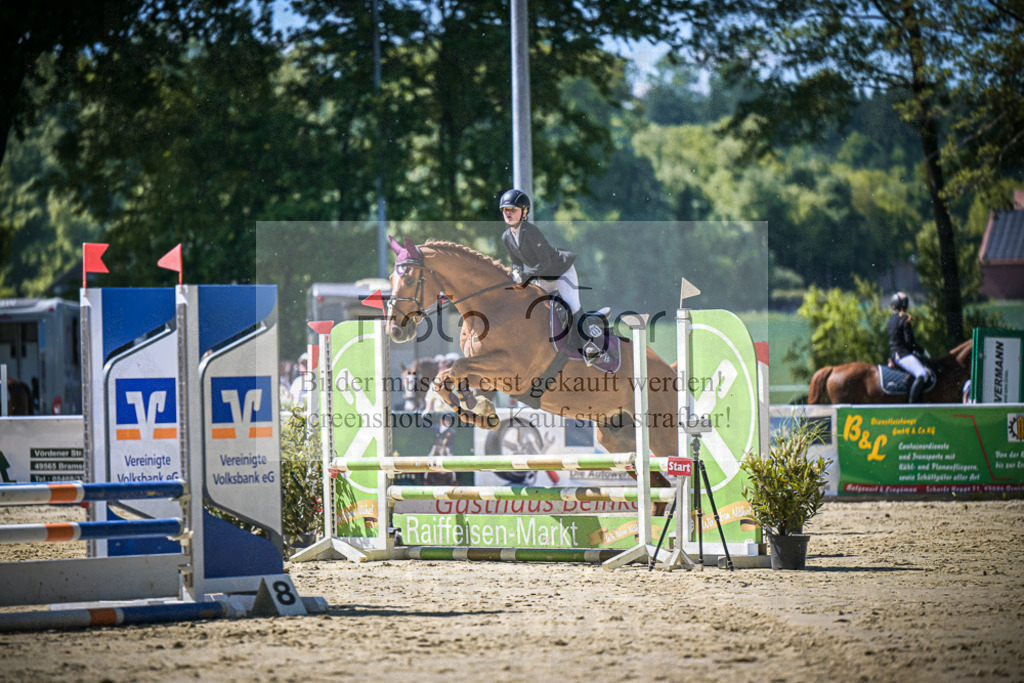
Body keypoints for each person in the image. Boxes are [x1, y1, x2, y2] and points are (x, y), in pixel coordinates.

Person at [498, 188, 604, 366]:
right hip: (541, 275)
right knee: (532, 306)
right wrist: (516, 272)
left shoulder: (530, 231)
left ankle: (589, 347)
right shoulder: (506, 237)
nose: (508, 214)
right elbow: (516, 262)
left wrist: (525, 276)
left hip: (561, 271)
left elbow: (545, 262)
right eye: (505, 210)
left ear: (524, 212)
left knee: (572, 305)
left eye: (513, 210)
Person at [887, 292, 932, 403]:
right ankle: (912, 403)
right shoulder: (905, 318)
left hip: (894, 356)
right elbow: (910, 343)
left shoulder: (890, 320)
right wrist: (922, 351)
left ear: (893, 306)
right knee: (923, 374)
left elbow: (893, 342)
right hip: (903, 355)